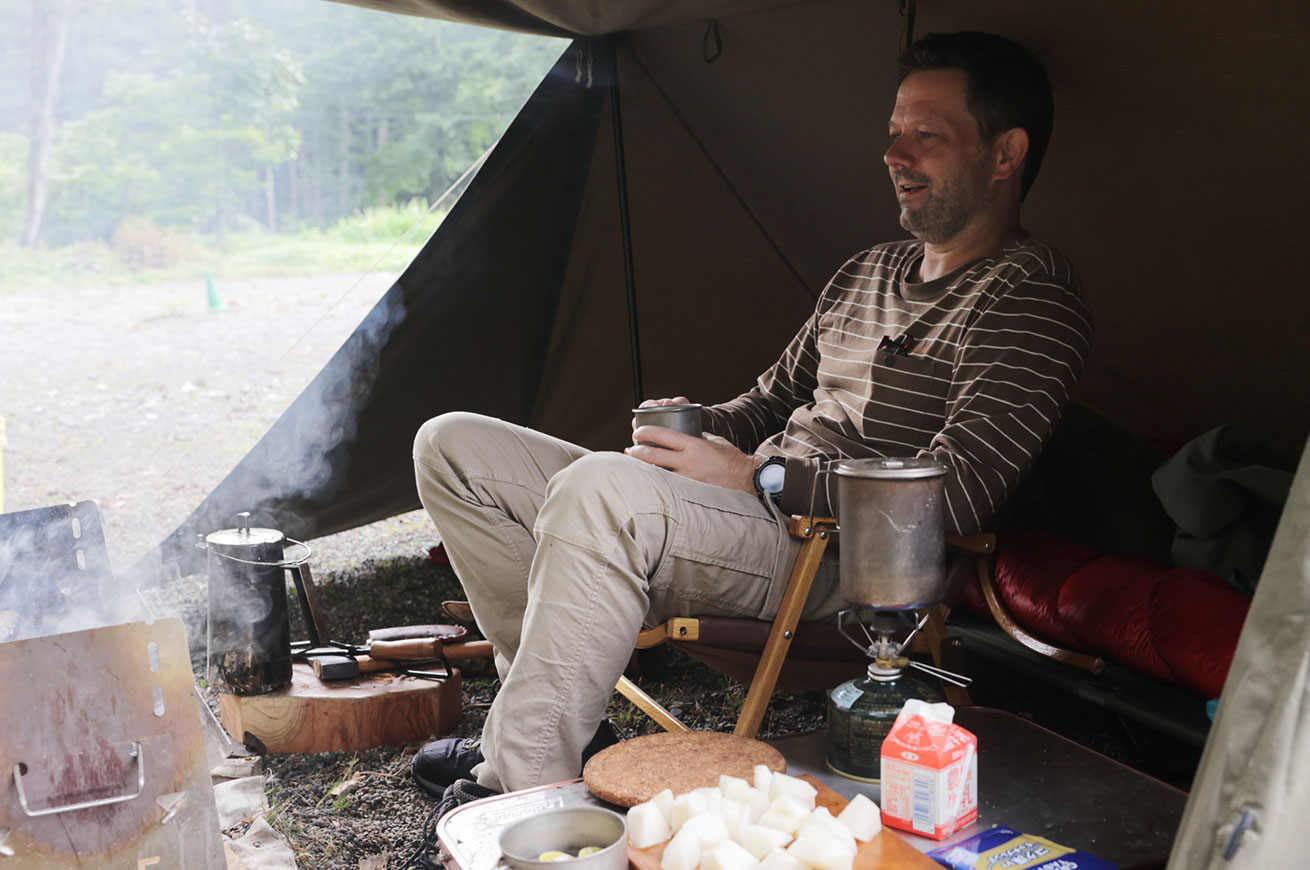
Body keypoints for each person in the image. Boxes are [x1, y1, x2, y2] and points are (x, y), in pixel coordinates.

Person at [409, 30, 1092, 815]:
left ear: (1005, 155)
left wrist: (755, 475)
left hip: (836, 561)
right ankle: (559, 734)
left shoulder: (1030, 300)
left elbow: (956, 498)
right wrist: (695, 430)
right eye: (893, 131)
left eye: (926, 136)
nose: (895, 153)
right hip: (746, 513)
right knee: (453, 443)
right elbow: (768, 403)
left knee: (602, 493)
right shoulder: (867, 271)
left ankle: (523, 799)